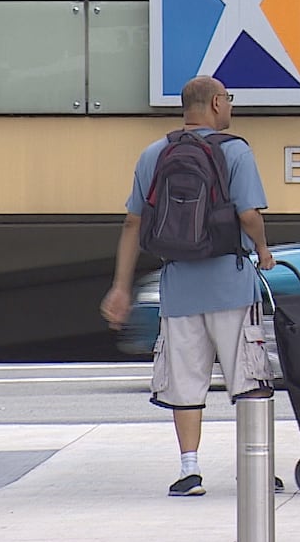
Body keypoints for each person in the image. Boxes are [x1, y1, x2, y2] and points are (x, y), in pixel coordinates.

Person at [100, 76, 276, 497]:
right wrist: (264, 249)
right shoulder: (234, 150)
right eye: (228, 100)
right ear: (217, 104)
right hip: (230, 283)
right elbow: (248, 214)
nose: (230, 107)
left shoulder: (153, 154)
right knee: (248, 377)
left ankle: (189, 470)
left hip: (177, 286)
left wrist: (121, 287)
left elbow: (132, 223)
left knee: (184, 379)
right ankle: (254, 467)